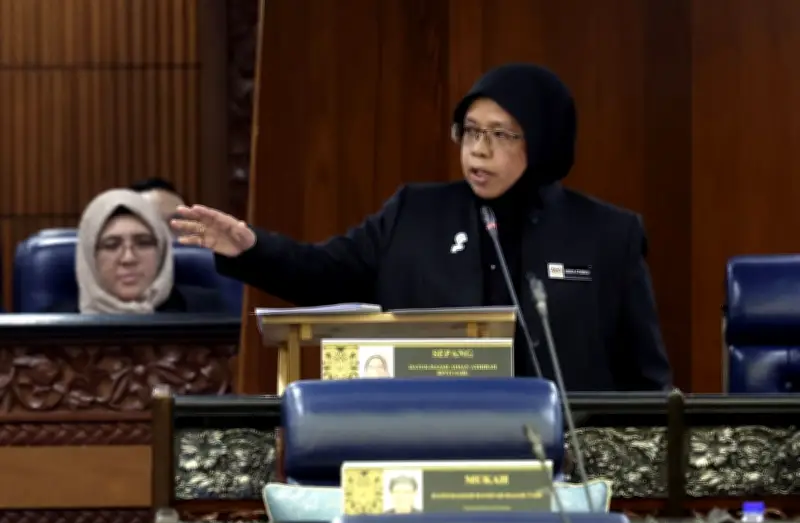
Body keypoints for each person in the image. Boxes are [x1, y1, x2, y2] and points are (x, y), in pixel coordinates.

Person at [172, 63, 672, 391]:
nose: (478, 150)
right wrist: (250, 248)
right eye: (470, 131)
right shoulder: (415, 213)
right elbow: (322, 272)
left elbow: (647, 379)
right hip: (431, 445)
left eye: (501, 135)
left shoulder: (609, 235)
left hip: (568, 462)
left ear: (543, 141)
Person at [47, 189, 224, 314]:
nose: (128, 258)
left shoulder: (206, 310)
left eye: (143, 243)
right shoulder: (53, 326)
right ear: (90, 257)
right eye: (111, 245)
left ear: (161, 251)